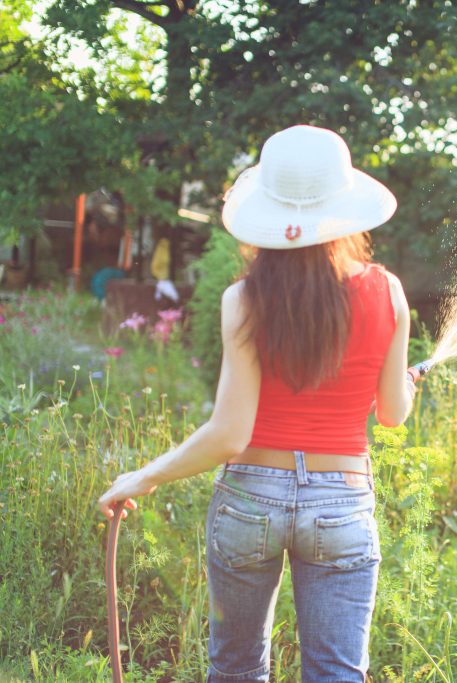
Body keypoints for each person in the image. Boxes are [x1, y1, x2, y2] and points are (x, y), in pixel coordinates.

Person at [97, 124, 416, 683]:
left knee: (238, 672)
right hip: (341, 504)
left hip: (249, 501)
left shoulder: (242, 299)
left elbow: (229, 434)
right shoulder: (388, 291)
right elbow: (391, 414)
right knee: (337, 674)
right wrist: (407, 382)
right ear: (344, 210)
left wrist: (145, 475)